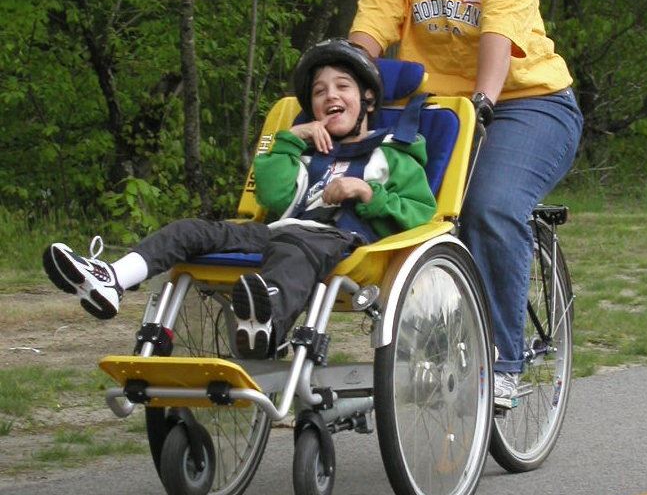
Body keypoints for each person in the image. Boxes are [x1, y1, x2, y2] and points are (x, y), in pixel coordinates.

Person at [348, 0, 583, 401]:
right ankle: (423, 333)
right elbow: (369, 34)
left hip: (529, 101)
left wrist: (483, 99)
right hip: (435, 108)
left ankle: (504, 358)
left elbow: (499, 29)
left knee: (490, 206)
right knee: (397, 206)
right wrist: (347, 85)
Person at [43, 40, 436, 360]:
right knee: (191, 230)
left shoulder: (393, 153)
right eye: (319, 92)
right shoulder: (303, 152)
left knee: (297, 248)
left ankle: (266, 320)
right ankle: (111, 278)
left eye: (342, 87)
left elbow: (422, 214)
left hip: (338, 241)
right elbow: (273, 195)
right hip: (277, 231)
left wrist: (367, 193)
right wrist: (290, 139)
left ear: (368, 98)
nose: (330, 95)